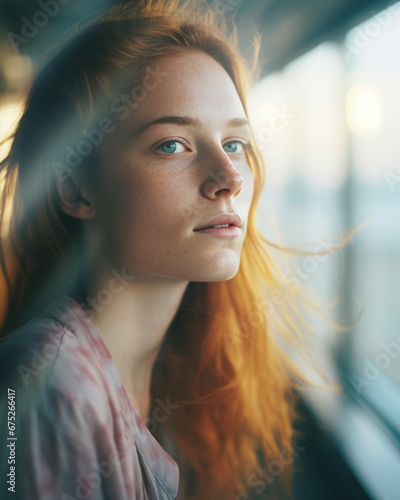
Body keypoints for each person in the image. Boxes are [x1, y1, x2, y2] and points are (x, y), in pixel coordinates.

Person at [0, 1, 338, 499]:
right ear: (75, 188)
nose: (229, 179)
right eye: (173, 145)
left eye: (235, 144)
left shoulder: (176, 376)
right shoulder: (50, 386)